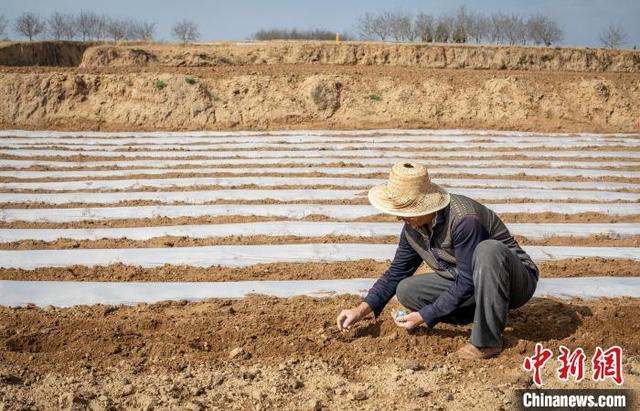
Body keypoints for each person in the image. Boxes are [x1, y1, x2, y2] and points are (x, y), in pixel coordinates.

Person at [336, 162, 539, 359]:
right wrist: (360, 310)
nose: (401, 218)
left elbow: (468, 280)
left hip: (514, 281)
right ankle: (487, 314)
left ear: (426, 206)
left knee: (488, 250)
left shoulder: (464, 220)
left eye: (407, 212)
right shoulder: (413, 229)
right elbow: (396, 272)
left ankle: (487, 341)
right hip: (470, 281)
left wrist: (425, 315)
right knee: (407, 290)